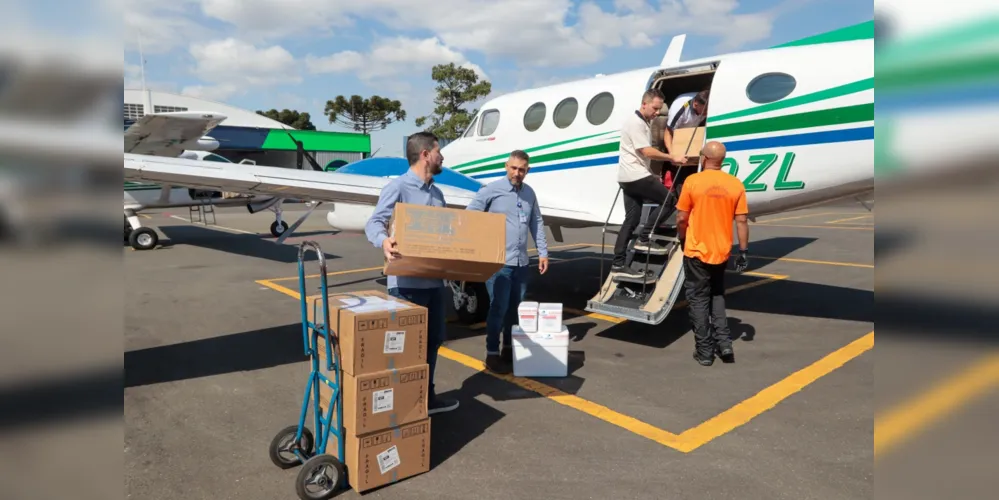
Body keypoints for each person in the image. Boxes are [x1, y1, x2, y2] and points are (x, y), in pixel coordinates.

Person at [364, 131, 460, 415]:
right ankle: (402, 405)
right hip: (406, 284)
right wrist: (383, 241)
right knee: (405, 349)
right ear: (425, 155)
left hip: (434, 283)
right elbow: (374, 223)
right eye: (438, 151)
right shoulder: (399, 188)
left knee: (433, 342)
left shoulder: (438, 193)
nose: (442, 156)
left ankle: (426, 397)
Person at [466, 150, 549, 374]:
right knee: (498, 307)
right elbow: (470, 216)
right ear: (506, 166)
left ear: (527, 170)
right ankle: (491, 353)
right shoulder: (491, 190)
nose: (517, 173)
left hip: (521, 262)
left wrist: (543, 252)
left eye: (522, 169)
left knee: (515, 308)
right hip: (498, 262)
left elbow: (536, 222)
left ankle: (508, 348)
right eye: (513, 168)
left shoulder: (529, 193)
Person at [675, 140, 750, 366]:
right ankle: (725, 344)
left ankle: (705, 351)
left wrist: (682, 237)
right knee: (717, 295)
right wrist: (743, 251)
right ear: (723, 161)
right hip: (721, 251)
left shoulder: (692, 181)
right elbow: (742, 220)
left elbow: (681, 217)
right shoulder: (735, 184)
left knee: (698, 300)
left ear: (704, 158)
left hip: (697, 250)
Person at [612, 89, 687, 279]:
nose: (656, 113)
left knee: (631, 219)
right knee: (669, 201)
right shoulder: (636, 123)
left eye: (659, 110)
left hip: (628, 176)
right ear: (644, 104)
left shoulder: (643, 122)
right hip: (635, 176)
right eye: (655, 108)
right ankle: (644, 238)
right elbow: (646, 151)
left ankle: (618, 263)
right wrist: (672, 157)